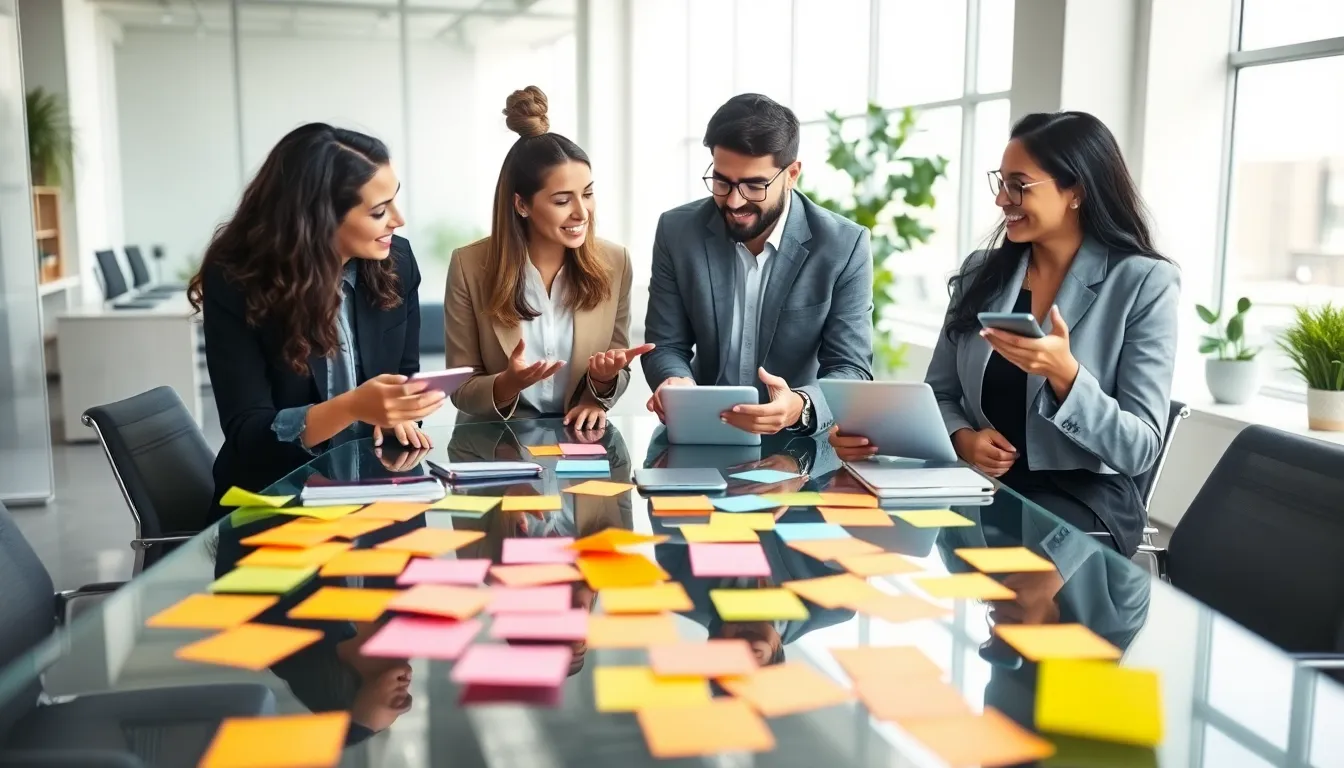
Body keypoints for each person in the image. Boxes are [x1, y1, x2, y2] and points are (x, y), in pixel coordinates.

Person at [831, 111, 1180, 556]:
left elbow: (1139, 449)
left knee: (1017, 585)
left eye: (1019, 185)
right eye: (1000, 182)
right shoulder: (984, 273)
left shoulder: (1143, 281)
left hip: (1084, 499)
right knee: (863, 533)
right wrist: (963, 440)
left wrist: (1066, 376)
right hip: (979, 484)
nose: (1001, 200)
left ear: (1075, 191)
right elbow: (939, 393)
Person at [191, 124, 444, 523]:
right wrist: (353, 407)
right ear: (320, 218)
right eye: (378, 211)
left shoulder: (396, 261)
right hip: (277, 505)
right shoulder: (237, 281)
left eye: (394, 202)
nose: (398, 220)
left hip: (382, 496)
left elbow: (402, 374)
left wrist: (402, 415)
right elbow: (249, 434)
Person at [642, 93, 874, 436]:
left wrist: (799, 405)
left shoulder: (843, 245)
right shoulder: (677, 232)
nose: (734, 201)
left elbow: (851, 368)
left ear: (792, 173)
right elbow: (664, 343)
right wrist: (675, 380)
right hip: (703, 430)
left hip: (798, 441)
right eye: (722, 181)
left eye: (755, 185)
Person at [446, 86, 651, 429]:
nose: (581, 213)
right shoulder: (470, 266)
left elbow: (617, 366)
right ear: (521, 204)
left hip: (581, 441)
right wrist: (508, 384)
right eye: (561, 201)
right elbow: (461, 387)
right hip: (496, 445)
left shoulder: (616, 262)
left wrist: (597, 390)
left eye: (587, 194)